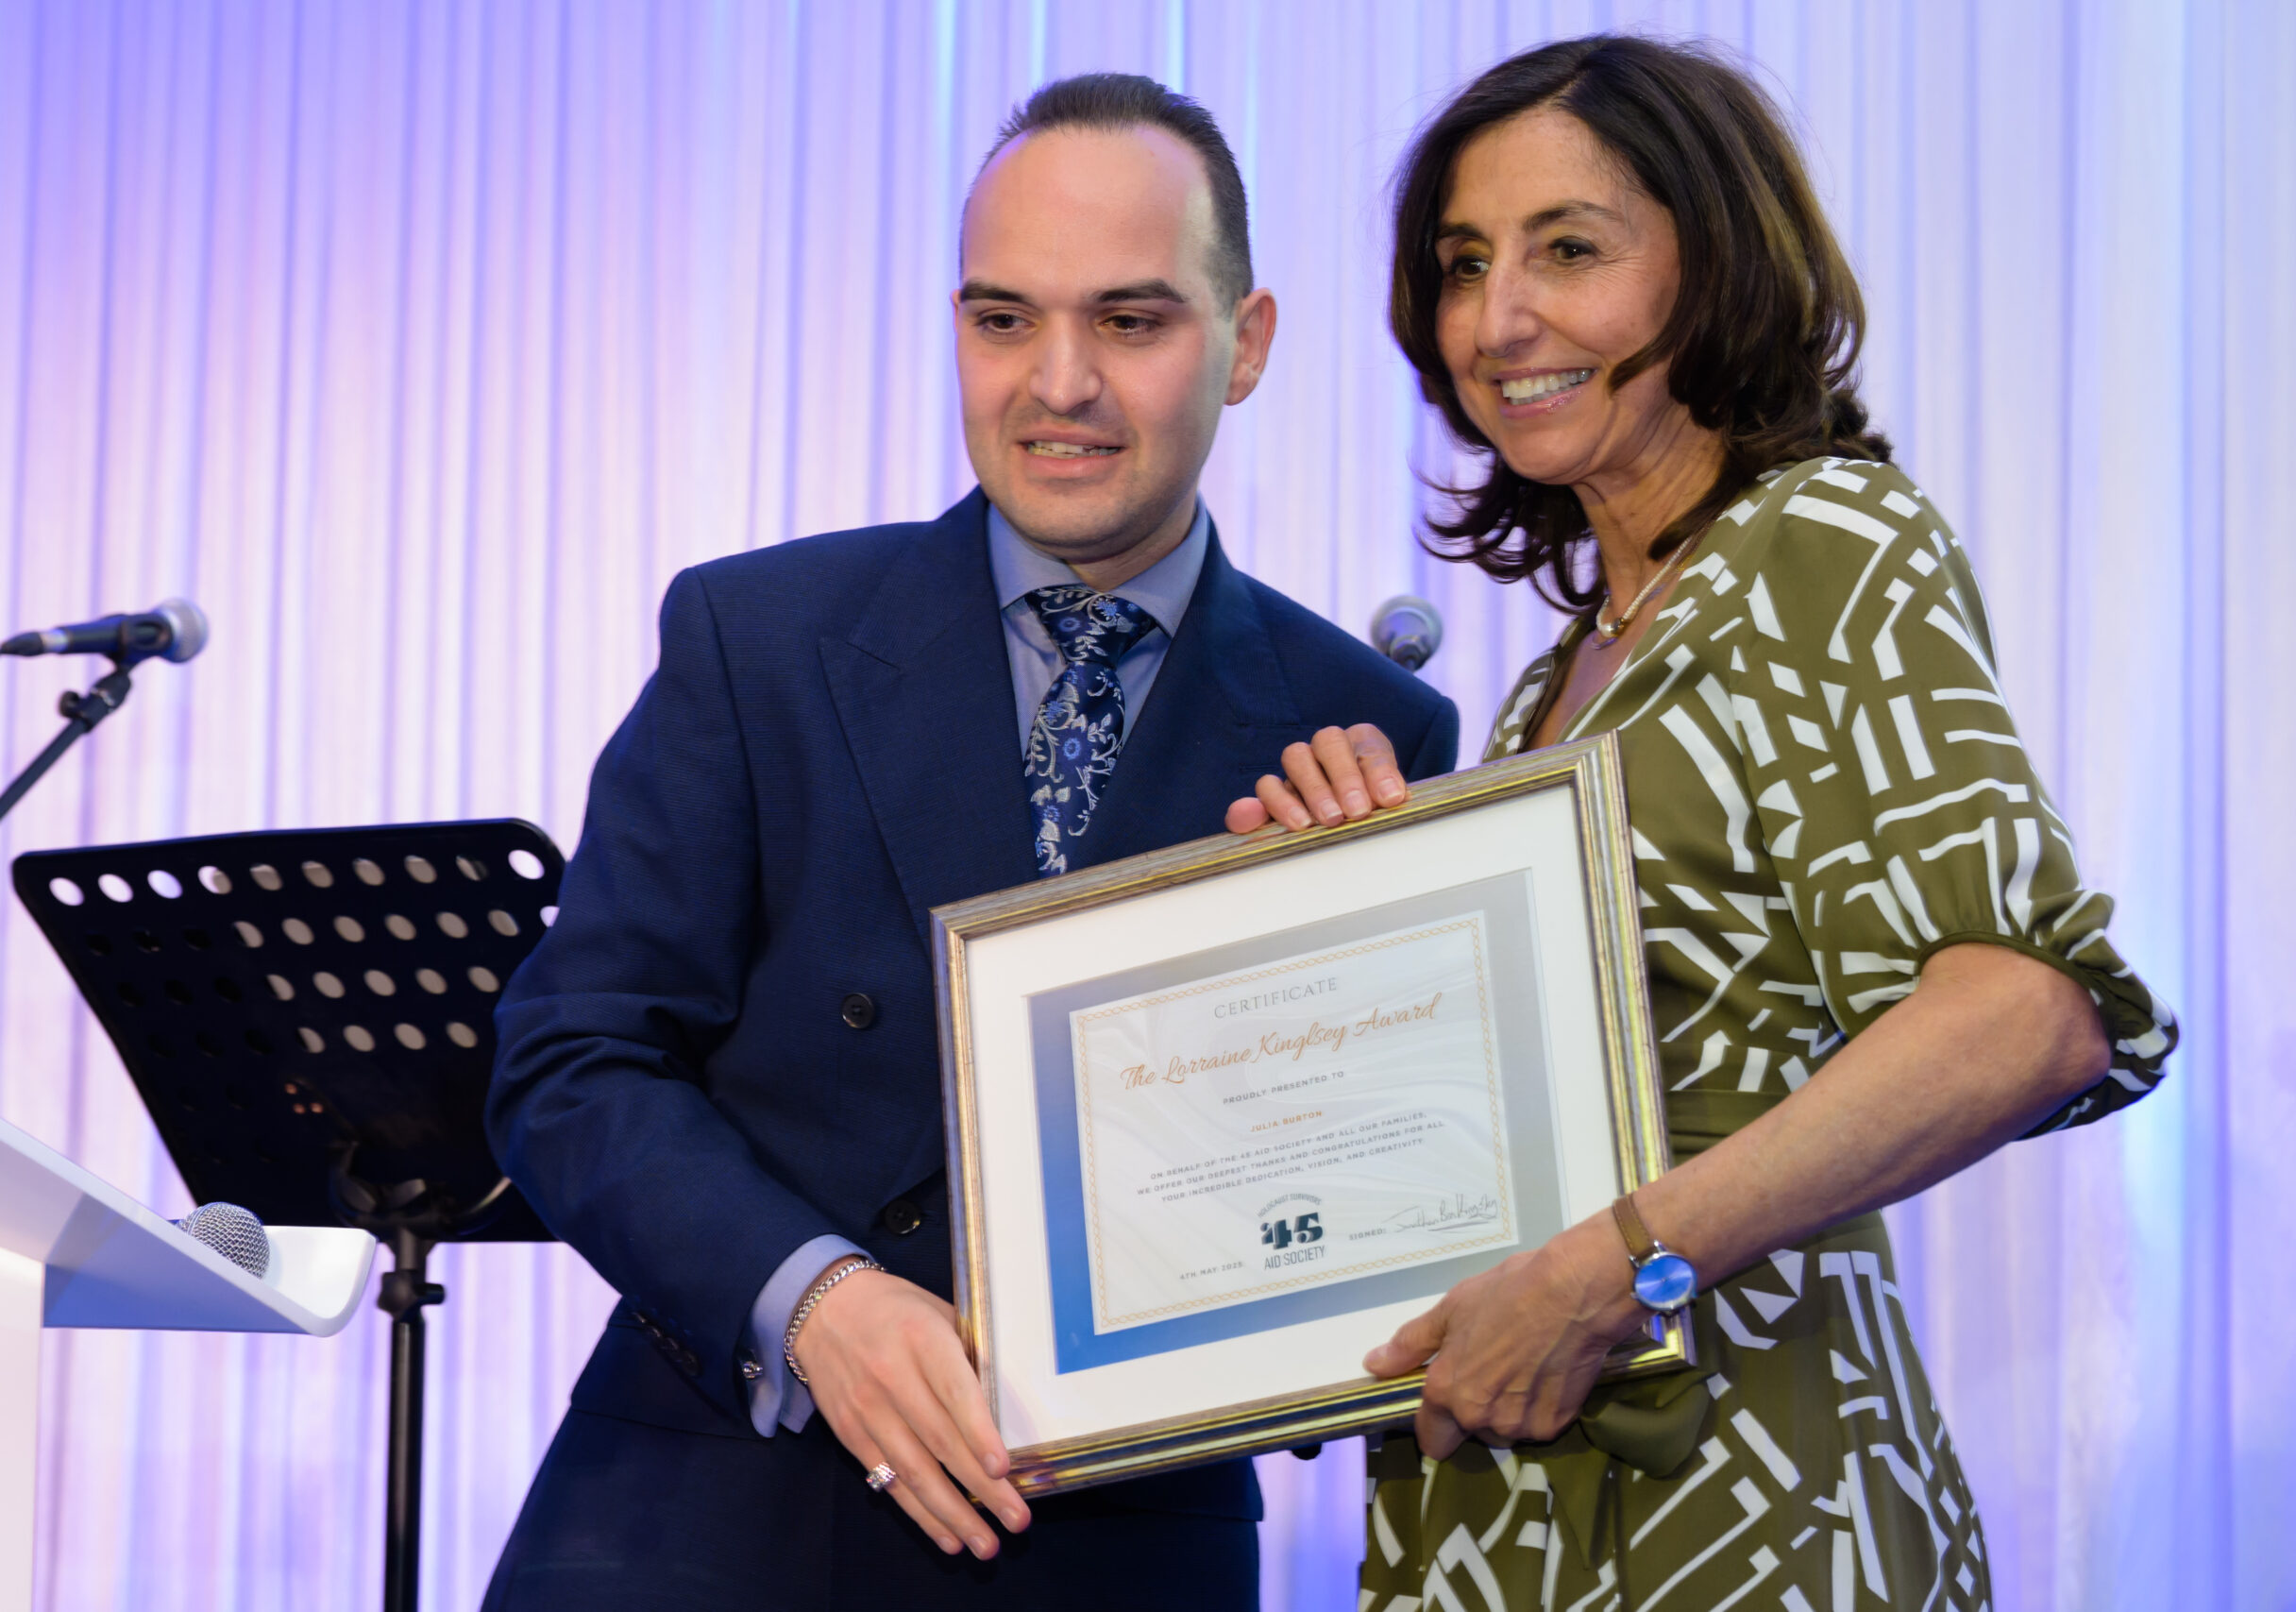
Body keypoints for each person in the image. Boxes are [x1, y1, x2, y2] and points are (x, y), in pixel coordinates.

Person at [481, 73, 1458, 1609]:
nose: (1057, 382)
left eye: (1131, 322)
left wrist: (1335, 971)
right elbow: (570, 1060)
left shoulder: (1361, 730)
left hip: (1114, 1544)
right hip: (710, 1513)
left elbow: (1363, 1212)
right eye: (1004, 319)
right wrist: (815, 1302)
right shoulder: (759, 634)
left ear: (1248, 342)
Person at [1229, 35, 2177, 1610]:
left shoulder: (1818, 545)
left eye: (1570, 250)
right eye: (1464, 264)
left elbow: (2028, 1013)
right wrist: (1327, 929)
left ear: (1714, 267)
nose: (1500, 317)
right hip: (1509, 1516)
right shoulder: (1562, 674)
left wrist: (1614, 1274)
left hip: (1744, 1514)